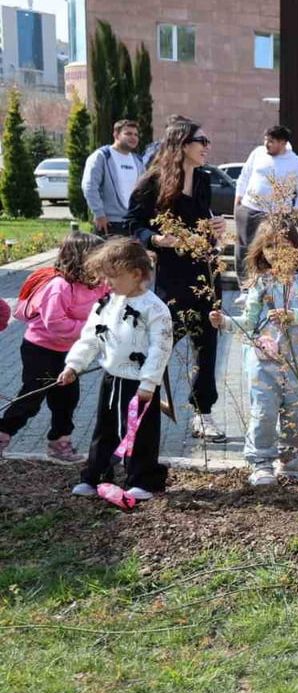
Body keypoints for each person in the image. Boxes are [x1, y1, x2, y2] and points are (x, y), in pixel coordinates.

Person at [125, 118, 229, 443]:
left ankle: (203, 413)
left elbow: (201, 219)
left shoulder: (203, 179)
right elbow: (133, 224)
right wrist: (157, 241)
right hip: (173, 277)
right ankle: (142, 405)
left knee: (207, 346)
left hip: (206, 273)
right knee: (162, 345)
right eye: (202, 140)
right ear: (183, 144)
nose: (207, 146)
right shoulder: (152, 182)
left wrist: (215, 227)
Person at [58, 239, 173, 502]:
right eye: (104, 277)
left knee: (141, 432)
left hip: (140, 384)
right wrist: (74, 365)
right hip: (112, 379)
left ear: (135, 274)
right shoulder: (107, 303)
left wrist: (149, 382)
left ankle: (143, 479)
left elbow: (161, 348)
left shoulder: (155, 309)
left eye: (112, 277)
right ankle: (96, 474)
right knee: (105, 429)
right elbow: (90, 337)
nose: (106, 283)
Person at [210, 228, 298, 486]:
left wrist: (294, 315)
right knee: (263, 410)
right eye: (270, 247)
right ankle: (261, 463)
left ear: (297, 248)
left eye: (283, 246)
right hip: (262, 363)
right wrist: (225, 322)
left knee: (295, 411)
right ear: (261, 251)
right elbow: (249, 322)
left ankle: (291, 458)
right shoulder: (261, 283)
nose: (277, 253)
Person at [0, 231, 106, 463]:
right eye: (99, 257)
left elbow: (112, 305)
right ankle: (3, 433)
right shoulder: (59, 286)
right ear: (81, 258)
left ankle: (59, 442)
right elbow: (56, 323)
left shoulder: (96, 285)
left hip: (69, 352)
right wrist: (93, 329)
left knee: (67, 400)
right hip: (41, 350)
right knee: (31, 399)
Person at [233, 126, 298, 277]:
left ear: (282, 143)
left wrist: (295, 213)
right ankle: (245, 288)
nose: (266, 144)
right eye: (265, 140)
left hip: (278, 215)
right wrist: (238, 201)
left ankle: (287, 284)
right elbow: (244, 176)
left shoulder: (296, 162)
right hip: (250, 209)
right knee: (244, 249)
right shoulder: (258, 153)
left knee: (281, 250)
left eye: (271, 141)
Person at [83, 119, 144, 236]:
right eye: (128, 134)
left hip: (132, 223)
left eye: (136, 134)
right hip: (109, 223)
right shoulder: (102, 156)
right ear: (116, 135)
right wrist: (99, 214)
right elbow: (89, 186)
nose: (133, 137)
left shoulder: (138, 160)